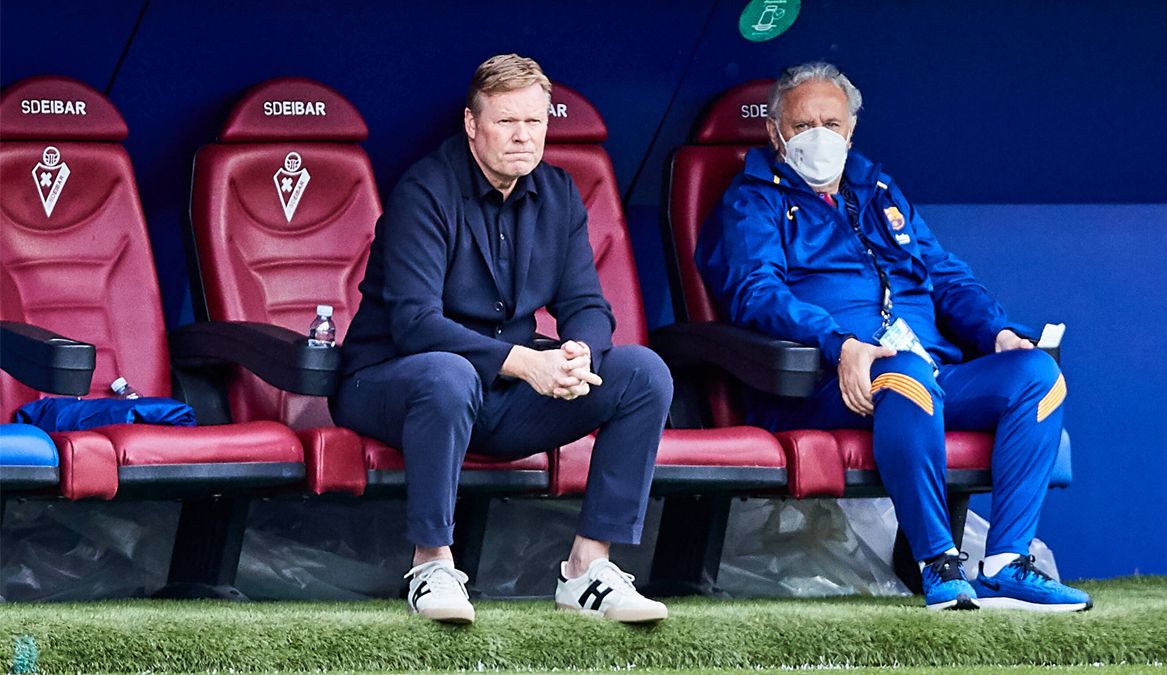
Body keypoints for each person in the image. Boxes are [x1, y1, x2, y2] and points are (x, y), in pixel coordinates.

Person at [696, 62, 1092, 612]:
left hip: (929, 367)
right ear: (775, 131)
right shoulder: (752, 200)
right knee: (906, 375)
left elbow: (947, 277)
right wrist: (841, 343)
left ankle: (1007, 563)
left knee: (1037, 377)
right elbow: (755, 293)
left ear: (851, 128)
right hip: (828, 380)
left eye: (830, 123)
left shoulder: (876, 188)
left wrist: (997, 332)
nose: (818, 136)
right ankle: (939, 563)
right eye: (802, 123)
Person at [334, 54, 670, 624]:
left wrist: (577, 353)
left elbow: (586, 303)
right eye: (505, 122)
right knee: (448, 373)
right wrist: (524, 363)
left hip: (500, 395)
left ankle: (587, 569)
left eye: (534, 122)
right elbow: (415, 324)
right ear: (472, 124)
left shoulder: (558, 192)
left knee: (642, 373)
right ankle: (431, 564)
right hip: (392, 382)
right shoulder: (425, 189)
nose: (522, 137)